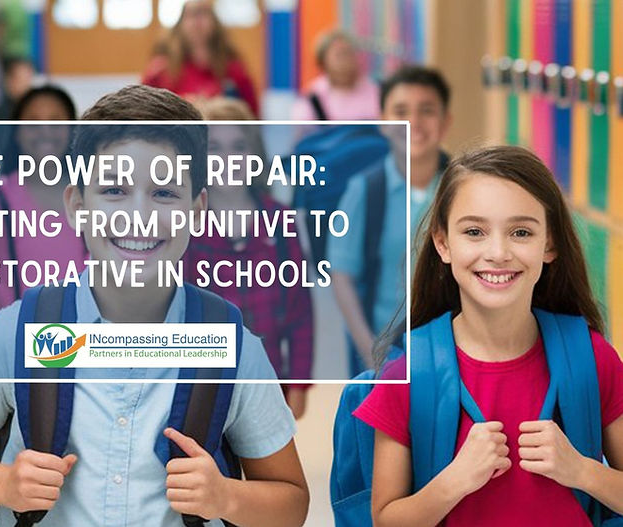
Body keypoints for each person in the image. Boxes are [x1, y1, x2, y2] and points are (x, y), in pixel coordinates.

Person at [0, 85, 310, 526]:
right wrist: (3, 483)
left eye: (164, 193)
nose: (137, 214)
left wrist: (226, 497)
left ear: (198, 210)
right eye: (113, 190)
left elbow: (291, 501)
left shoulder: (234, 349)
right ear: (76, 205)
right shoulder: (21, 331)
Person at [356, 146, 623, 525]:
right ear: (443, 243)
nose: (498, 252)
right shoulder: (409, 376)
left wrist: (581, 470)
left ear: (549, 244)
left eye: (521, 232)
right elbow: (387, 520)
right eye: (475, 232)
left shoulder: (592, 358)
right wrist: (454, 482)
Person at [187, 97, 314, 419]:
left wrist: (298, 383)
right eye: (214, 147)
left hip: (267, 379)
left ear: (255, 154)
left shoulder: (280, 220)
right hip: (199, 382)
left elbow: (300, 310)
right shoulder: (183, 225)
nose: (227, 159)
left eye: (239, 146)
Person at [328, 65, 452, 375]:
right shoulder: (364, 191)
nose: (414, 122)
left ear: (446, 121)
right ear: (383, 122)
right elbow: (341, 276)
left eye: (427, 110)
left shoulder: (464, 188)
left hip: (452, 350)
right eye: (400, 110)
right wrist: (370, 352)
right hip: (386, 352)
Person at [0, 85, 87, 313]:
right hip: (16, 336)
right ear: (16, 131)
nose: (45, 130)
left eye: (55, 121)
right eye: (33, 122)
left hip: (83, 333)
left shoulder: (90, 197)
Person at [143, 0, 259, 116]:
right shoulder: (161, 68)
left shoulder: (233, 68)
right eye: (191, 15)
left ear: (214, 22)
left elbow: (252, 113)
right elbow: (142, 111)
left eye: (203, 14)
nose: (197, 21)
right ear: (180, 23)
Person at [291, 29, 379, 122]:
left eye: (349, 52)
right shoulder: (312, 101)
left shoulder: (376, 91)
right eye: (339, 54)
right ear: (323, 62)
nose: (346, 59)